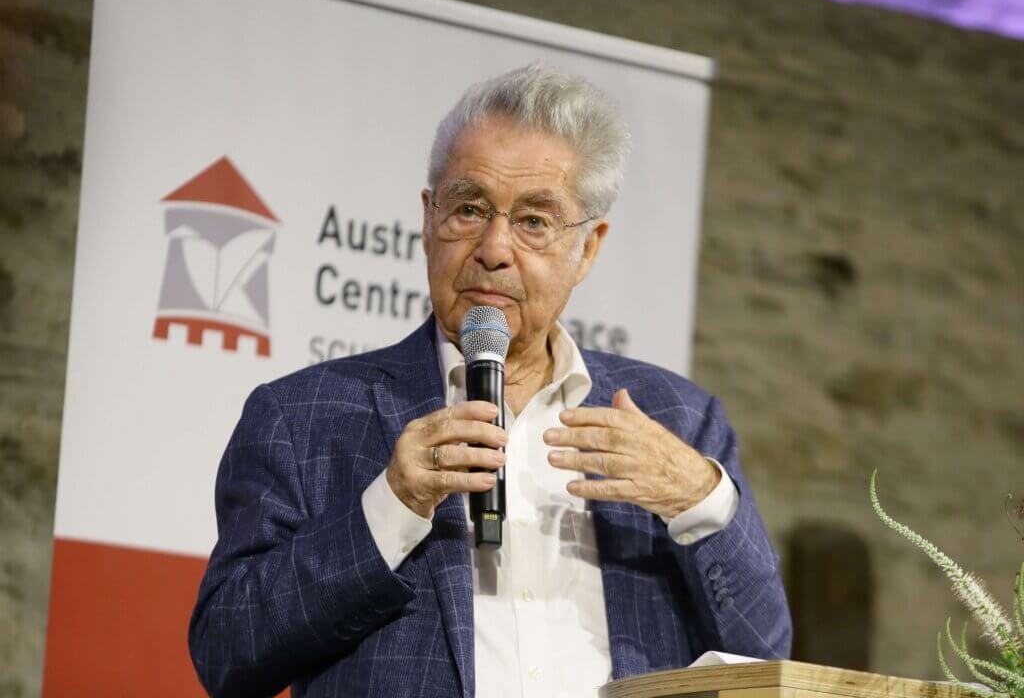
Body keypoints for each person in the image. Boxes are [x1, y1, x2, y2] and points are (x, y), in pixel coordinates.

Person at [188, 64, 791, 698]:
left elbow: (766, 654)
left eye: (535, 221)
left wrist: (700, 495)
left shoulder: (681, 420)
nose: (494, 247)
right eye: (469, 209)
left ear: (587, 249)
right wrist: (390, 507)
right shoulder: (303, 416)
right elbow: (227, 653)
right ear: (428, 220)